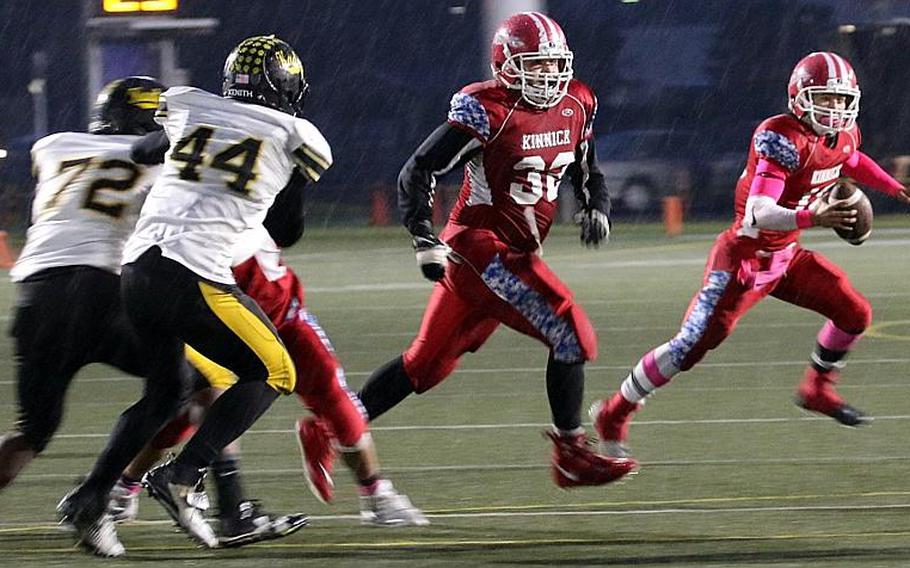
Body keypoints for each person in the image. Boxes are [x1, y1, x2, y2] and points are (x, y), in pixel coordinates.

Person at [304, 12, 636, 490]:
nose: (547, 76)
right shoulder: (488, 109)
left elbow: (588, 168)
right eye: (535, 66)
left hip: (512, 254)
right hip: (479, 249)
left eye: (552, 65)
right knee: (571, 334)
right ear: (506, 64)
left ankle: (328, 428)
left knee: (425, 366)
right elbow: (417, 170)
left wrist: (596, 207)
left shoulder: (577, 103)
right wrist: (423, 236)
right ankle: (571, 454)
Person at [56, 35, 330, 555]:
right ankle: (182, 476)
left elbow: (141, 150)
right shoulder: (296, 134)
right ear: (286, 87)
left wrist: (193, 153)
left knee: (166, 393)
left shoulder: (188, 106)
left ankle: (91, 498)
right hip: (193, 272)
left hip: (137, 271)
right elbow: (287, 230)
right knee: (275, 372)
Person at [590, 52, 910, 461]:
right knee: (689, 347)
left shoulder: (844, 134)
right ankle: (615, 412)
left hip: (786, 257)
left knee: (854, 312)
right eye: (825, 99)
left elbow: (849, 159)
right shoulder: (780, 138)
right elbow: (761, 212)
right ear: (799, 97)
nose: (834, 109)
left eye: (841, 100)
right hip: (744, 260)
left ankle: (817, 388)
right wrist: (816, 215)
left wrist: (890, 187)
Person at [107, 225, 427, 533]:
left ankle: (375, 494)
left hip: (280, 316)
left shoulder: (221, 198)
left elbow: (287, 226)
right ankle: (129, 488)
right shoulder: (192, 211)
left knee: (334, 395)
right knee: (192, 401)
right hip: (215, 312)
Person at [0, 77, 194, 557]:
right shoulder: (163, 160)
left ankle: (97, 497)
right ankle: (95, 495)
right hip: (102, 291)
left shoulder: (53, 146)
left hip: (35, 294)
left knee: (33, 429)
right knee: (177, 386)